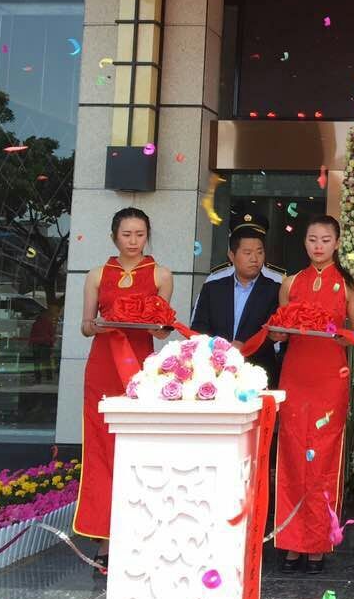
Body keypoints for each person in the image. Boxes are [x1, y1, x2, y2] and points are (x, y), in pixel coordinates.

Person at [269, 215, 354, 575]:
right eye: (312, 239)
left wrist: (343, 335)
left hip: (330, 377)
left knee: (324, 457)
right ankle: (291, 541)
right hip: (295, 375)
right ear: (305, 242)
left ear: (337, 243)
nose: (319, 246)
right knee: (292, 453)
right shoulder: (291, 282)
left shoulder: (348, 285)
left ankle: (317, 543)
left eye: (325, 240)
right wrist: (279, 333)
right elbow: (280, 328)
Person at [75, 208, 173, 559]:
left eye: (140, 234)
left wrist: (156, 326)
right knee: (101, 448)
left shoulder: (161, 274)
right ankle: (104, 535)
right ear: (114, 236)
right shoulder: (97, 274)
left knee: (139, 448)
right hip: (102, 367)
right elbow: (85, 326)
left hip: (140, 370)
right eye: (127, 234)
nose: (133, 241)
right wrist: (97, 325)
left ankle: (138, 532)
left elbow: (162, 330)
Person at [190, 210, 282, 385]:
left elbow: (274, 335)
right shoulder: (213, 288)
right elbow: (198, 330)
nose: (254, 259)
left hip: (259, 374)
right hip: (214, 373)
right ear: (232, 256)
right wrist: (222, 349)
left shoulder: (275, 290)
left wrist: (244, 348)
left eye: (259, 252)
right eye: (247, 253)